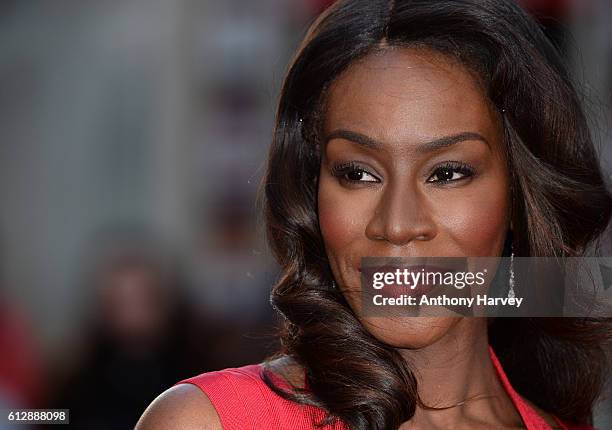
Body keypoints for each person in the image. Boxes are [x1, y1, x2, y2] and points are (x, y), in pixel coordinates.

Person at [135, 0, 612, 429]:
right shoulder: (209, 421)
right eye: (358, 174)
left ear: (518, 193)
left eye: (447, 173)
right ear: (311, 192)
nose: (397, 225)